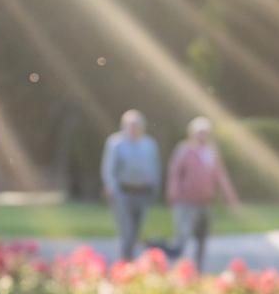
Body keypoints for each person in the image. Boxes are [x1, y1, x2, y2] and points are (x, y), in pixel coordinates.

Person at [166, 117, 239, 271]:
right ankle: (179, 269)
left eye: (205, 132)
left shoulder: (211, 151)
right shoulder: (184, 149)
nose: (202, 136)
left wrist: (230, 196)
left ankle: (197, 269)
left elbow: (220, 175)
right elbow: (175, 172)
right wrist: (173, 191)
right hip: (186, 202)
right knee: (183, 236)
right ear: (192, 133)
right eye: (199, 132)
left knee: (202, 238)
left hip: (205, 201)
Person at [100, 109, 162, 259]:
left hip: (142, 193)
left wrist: (155, 186)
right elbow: (108, 168)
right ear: (124, 126)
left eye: (137, 125)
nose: (134, 128)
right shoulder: (116, 143)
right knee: (126, 231)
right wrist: (110, 187)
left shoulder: (149, 144)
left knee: (135, 231)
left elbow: (154, 167)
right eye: (131, 125)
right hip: (122, 193)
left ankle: (130, 261)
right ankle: (124, 262)